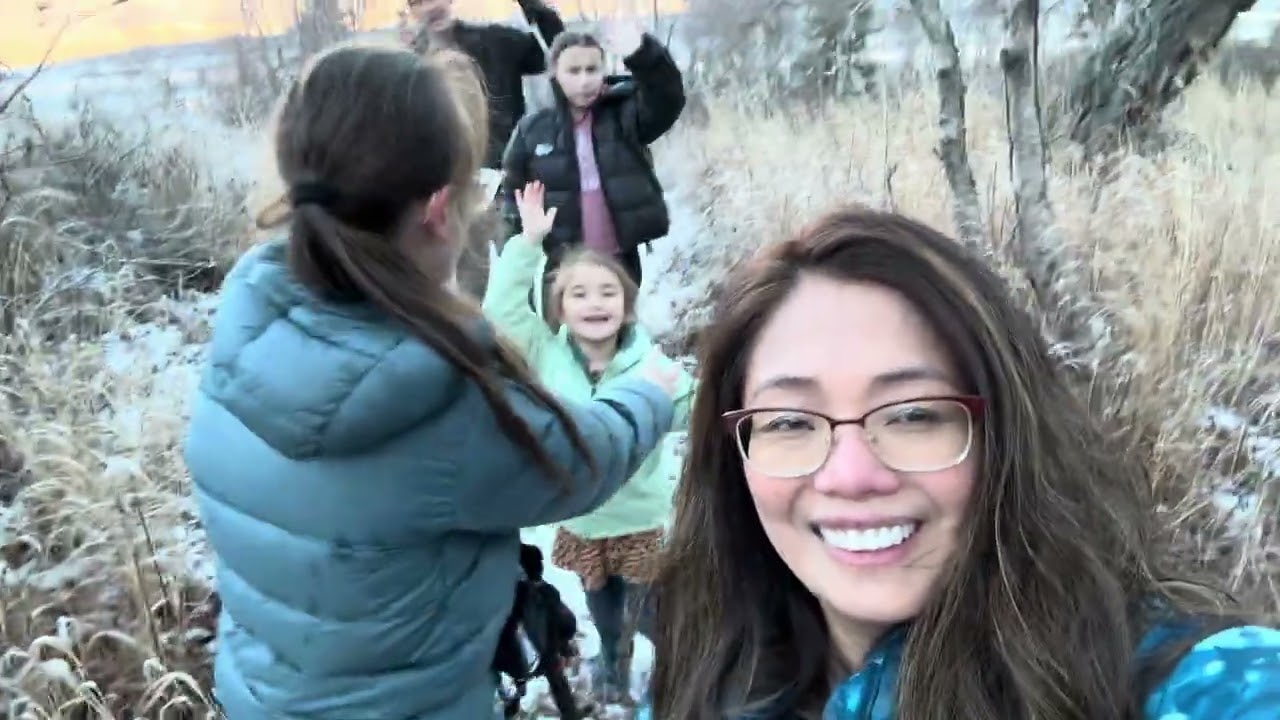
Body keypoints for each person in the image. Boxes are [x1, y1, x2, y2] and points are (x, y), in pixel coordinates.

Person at [182, 42, 682, 720]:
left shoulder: (247, 327)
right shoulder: (438, 399)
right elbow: (582, 459)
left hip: (260, 698)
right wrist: (649, 390)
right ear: (440, 211)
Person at [643, 208, 1280, 719]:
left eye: (914, 415)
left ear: (1005, 430)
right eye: (789, 422)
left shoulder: (1184, 680)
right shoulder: (706, 677)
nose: (851, 476)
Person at [483, 180, 695, 704]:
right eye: (578, 294)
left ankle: (679, 677)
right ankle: (613, 668)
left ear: (627, 305)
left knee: (652, 615)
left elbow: (696, 406)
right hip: (584, 522)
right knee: (603, 610)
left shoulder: (651, 365)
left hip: (641, 522)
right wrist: (527, 243)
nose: (594, 303)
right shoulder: (545, 354)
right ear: (560, 307)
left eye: (607, 292)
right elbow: (502, 311)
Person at [501, 20, 684, 299]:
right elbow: (512, 200)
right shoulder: (532, 131)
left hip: (618, 258)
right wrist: (517, 258)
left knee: (619, 325)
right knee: (566, 332)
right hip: (561, 263)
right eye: (573, 71)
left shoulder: (624, 115)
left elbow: (667, 97)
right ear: (555, 74)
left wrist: (642, 53)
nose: (584, 80)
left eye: (592, 69)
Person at [403, 0, 565, 170]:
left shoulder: (494, 42)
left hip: (502, 168)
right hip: (444, 174)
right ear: (411, 10)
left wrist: (532, 6)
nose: (431, 7)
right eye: (418, 2)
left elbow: (552, 52)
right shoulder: (408, 65)